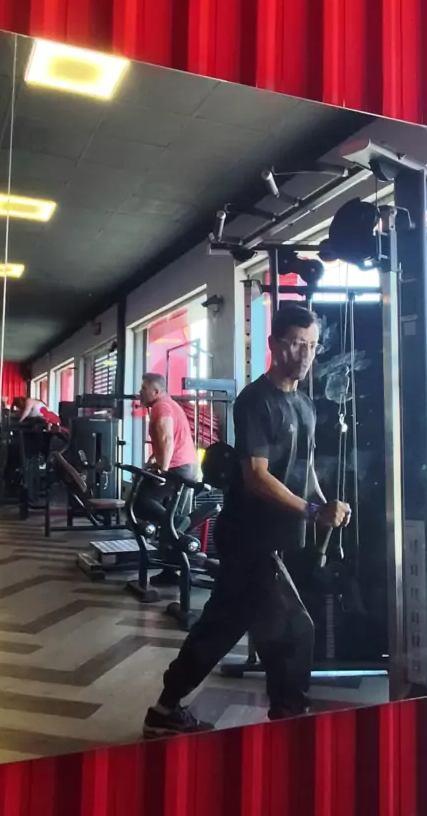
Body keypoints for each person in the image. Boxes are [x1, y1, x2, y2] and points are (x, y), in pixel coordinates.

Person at [143, 304, 351, 739]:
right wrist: (311, 510)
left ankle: (164, 709)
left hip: (278, 538)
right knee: (294, 629)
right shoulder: (255, 401)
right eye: (296, 344)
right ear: (274, 344)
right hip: (250, 538)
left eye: (312, 346)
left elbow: (304, 469)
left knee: (222, 625)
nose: (305, 354)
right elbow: (256, 476)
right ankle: (289, 725)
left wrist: (322, 504)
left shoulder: (305, 405)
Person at [139, 373, 199, 586]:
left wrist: (162, 471)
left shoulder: (161, 407)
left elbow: (167, 439)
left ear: (156, 391)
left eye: (144, 388)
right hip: (182, 466)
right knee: (164, 516)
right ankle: (171, 571)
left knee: (143, 502)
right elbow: (163, 440)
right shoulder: (167, 404)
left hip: (178, 468)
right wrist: (152, 461)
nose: (140, 392)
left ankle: (176, 523)